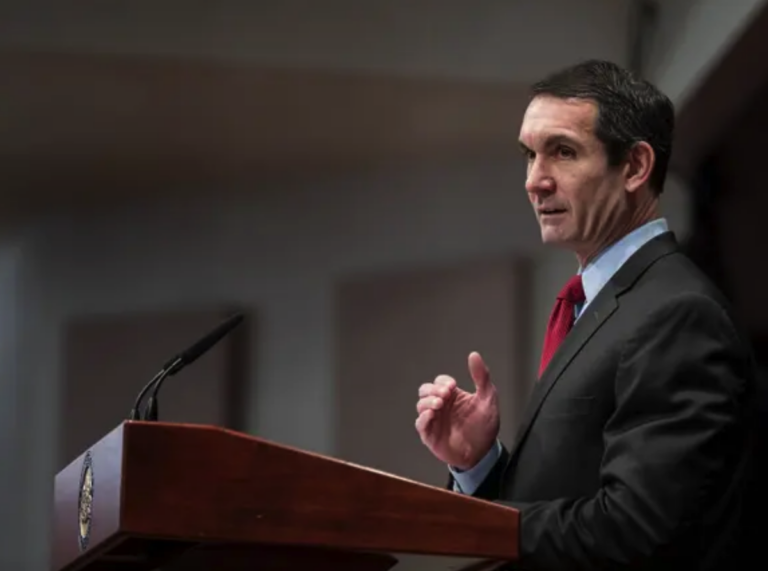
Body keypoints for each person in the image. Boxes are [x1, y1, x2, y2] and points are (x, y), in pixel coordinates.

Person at [414, 59, 760, 570]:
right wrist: (479, 464)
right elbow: (564, 498)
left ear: (636, 168)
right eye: (529, 155)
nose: (535, 181)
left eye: (562, 152)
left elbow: (638, 528)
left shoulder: (677, 314)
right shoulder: (606, 301)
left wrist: (477, 526)